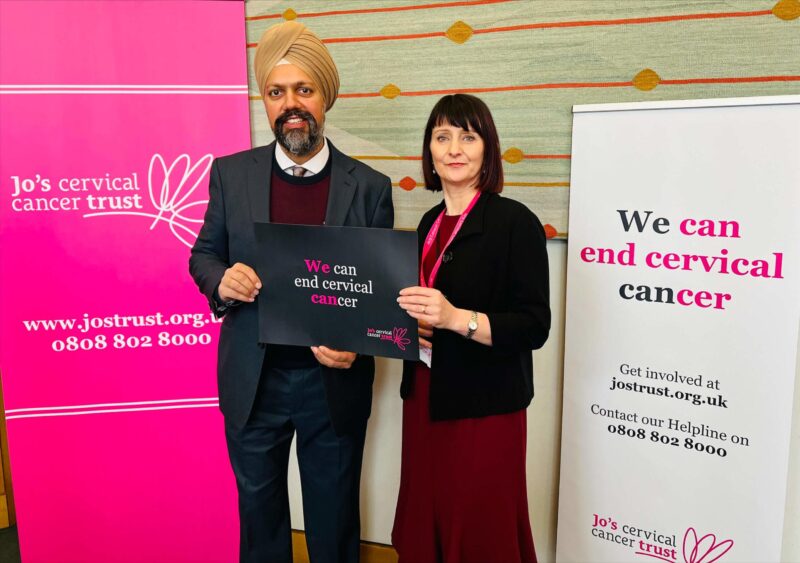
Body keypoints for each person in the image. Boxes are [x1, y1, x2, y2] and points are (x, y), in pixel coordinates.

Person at [189, 21, 393, 563]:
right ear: (266, 101)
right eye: (277, 93)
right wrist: (222, 280)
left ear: (326, 96)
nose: (291, 104)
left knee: (333, 520)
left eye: (304, 90)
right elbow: (203, 255)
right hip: (253, 382)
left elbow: (382, 295)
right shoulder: (230, 175)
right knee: (260, 522)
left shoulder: (369, 187)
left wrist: (359, 345)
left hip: (332, 384)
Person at [392, 94, 550, 563]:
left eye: (468, 136)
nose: (454, 148)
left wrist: (455, 319)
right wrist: (414, 325)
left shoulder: (514, 222)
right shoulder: (427, 222)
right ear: (430, 152)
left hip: (486, 406)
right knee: (429, 517)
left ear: (487, 149)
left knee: (481, 525)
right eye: (442, 137)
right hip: (424, 395)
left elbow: (533, 326)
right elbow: (424, 305)